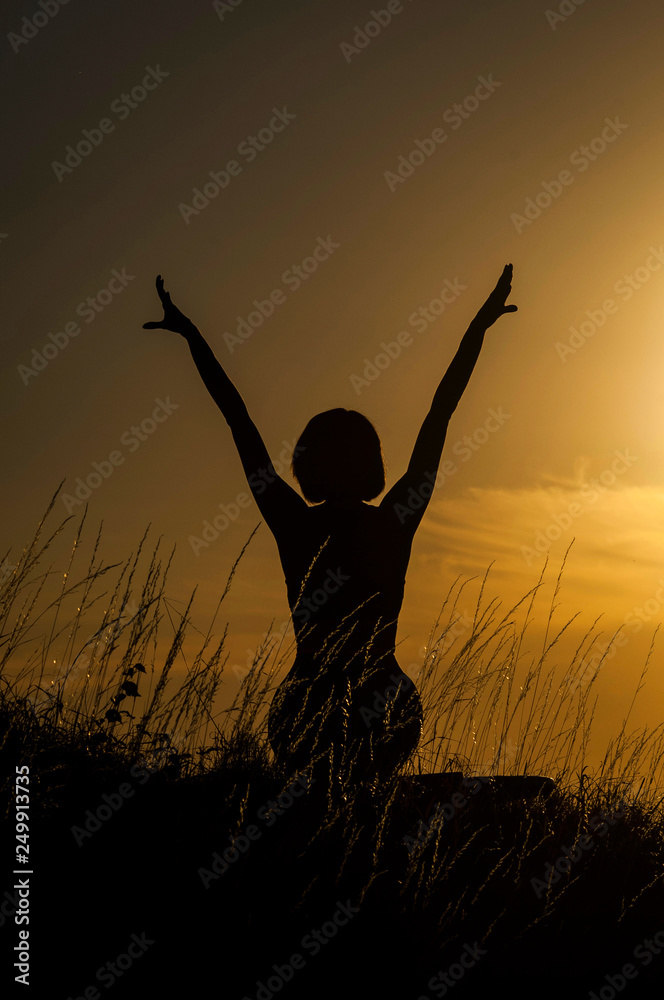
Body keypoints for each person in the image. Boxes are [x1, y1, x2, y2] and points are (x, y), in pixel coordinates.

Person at [143, 265, 517, 790]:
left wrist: (193, 337)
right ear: (372, 464)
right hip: (380, 708)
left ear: (306, 464)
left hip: (306, 714)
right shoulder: (392, 519)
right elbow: (440, 414)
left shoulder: (295, 522)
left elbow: (238, 419)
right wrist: (476, 328)